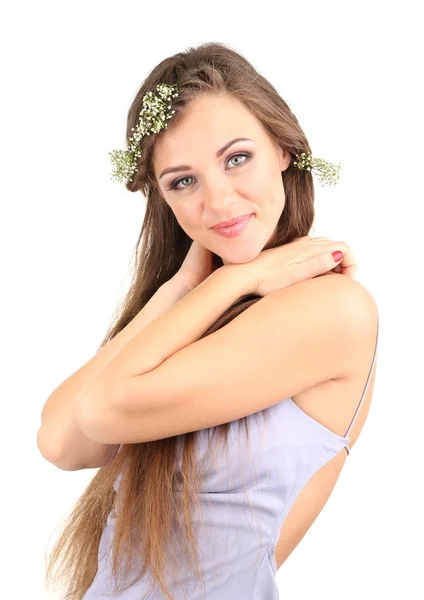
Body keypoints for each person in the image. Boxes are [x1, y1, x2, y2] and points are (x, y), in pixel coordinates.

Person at [41, 42, 379, 599]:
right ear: (164, 200)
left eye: (237, 158)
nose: (219, 202)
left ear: (284, 148)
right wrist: (183, 287)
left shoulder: (333, 310)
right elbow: (61, 441)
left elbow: (101, 412)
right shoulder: (206, 309)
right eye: (183, 181)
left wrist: (229, 280)